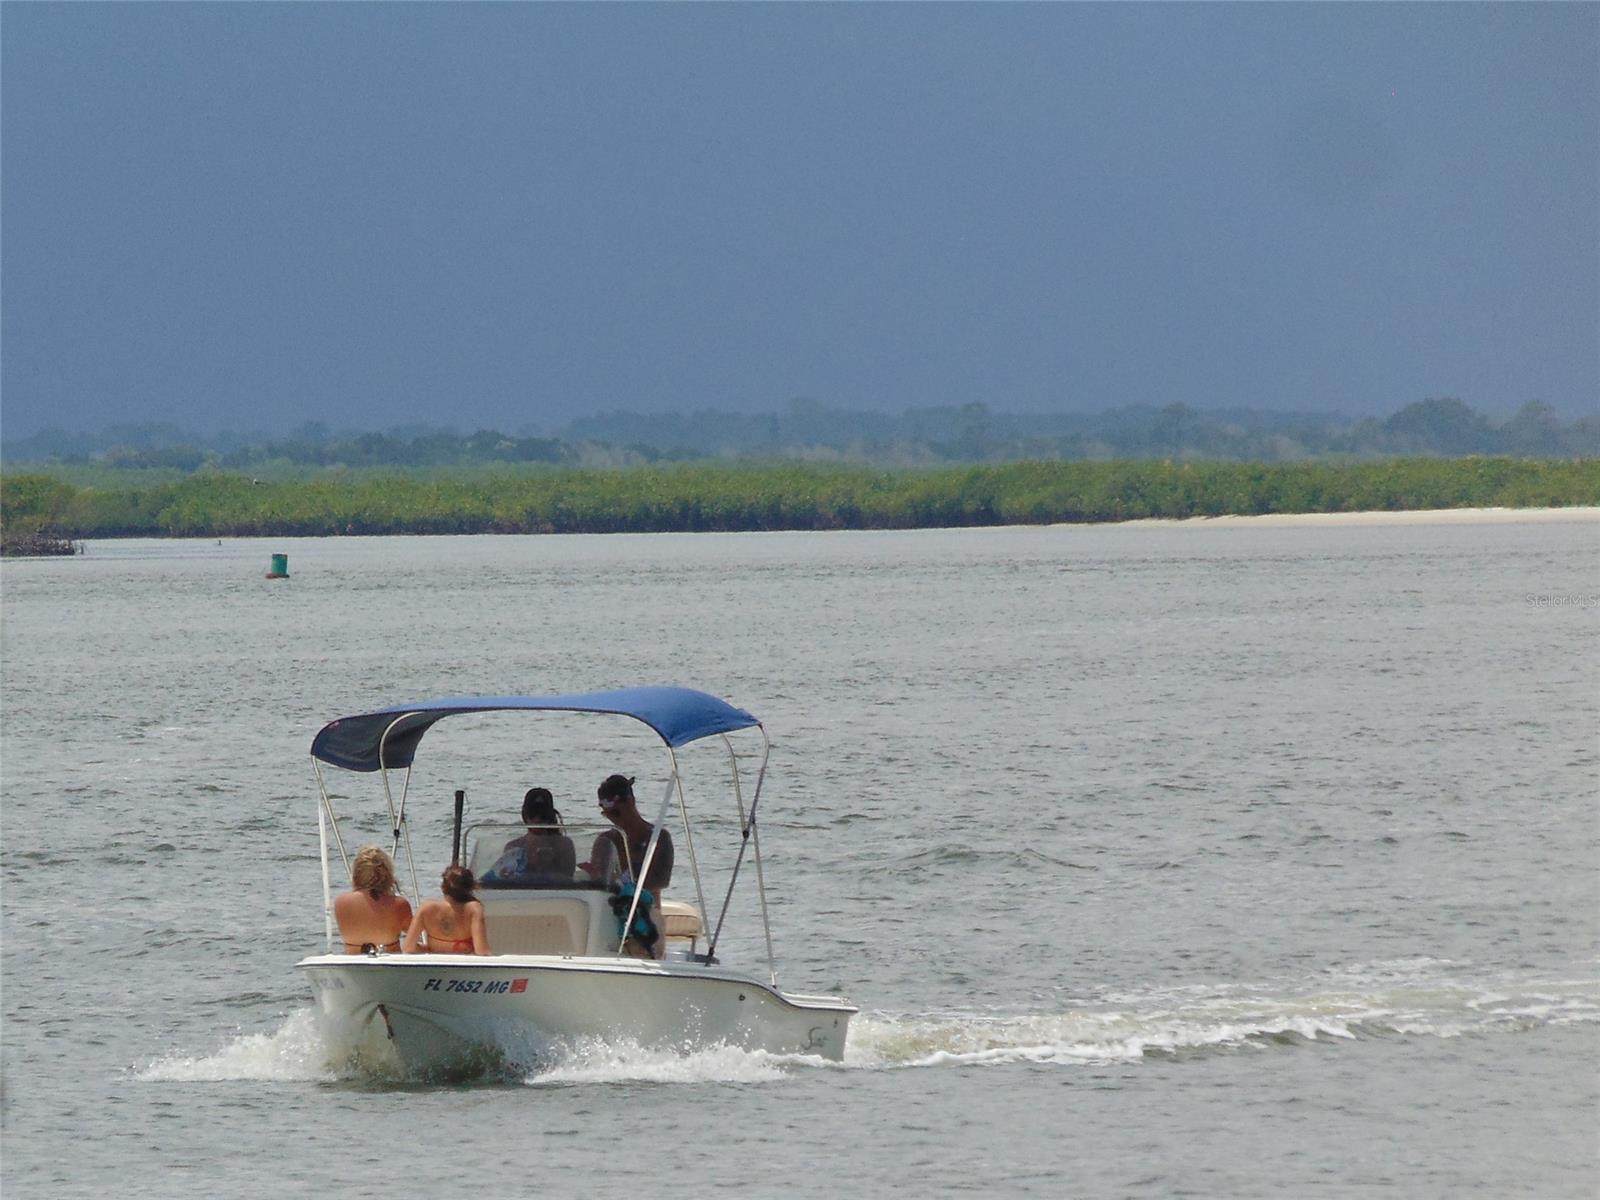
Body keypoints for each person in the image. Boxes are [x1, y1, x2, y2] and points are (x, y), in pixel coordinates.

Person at [582, 774, 673, 958]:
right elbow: (600, 884)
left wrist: (622, 877)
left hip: (646, 915)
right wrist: (594, 877)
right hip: (612, 915)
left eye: (616, 813)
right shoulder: (605, 841)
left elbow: (659, 881)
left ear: (631, 802)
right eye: (607, 814)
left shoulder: (659, 838)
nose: (613, 819)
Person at [482, 787, 577, 884]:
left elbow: (568, 880)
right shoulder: (513, 847)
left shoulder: (564, 845)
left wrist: (549, 864)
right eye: (532, 813)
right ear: (524, 815)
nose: (537, 819)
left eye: (543, 814)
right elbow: (505, 879)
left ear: (550, 816)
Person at [333, 846, 414, 954]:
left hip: (353, 961)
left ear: (356, 875)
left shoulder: (341, 902)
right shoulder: (399, 904)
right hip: (390, 962)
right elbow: (414, 935)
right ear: (387, 875)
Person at [403, 864, 490, 955]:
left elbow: (408, 947)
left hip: (436, 961)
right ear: (470, 887)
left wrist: (428, 949)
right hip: (462, 962)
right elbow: (482, 951)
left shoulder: (426, 908)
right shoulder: (474, 909)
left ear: (443, 887)